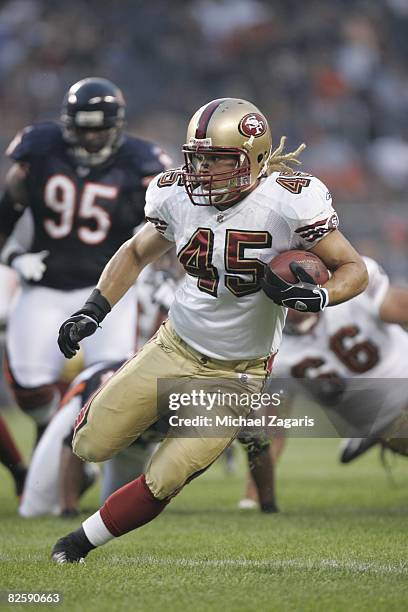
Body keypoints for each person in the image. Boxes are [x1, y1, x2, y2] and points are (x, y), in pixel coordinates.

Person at [50, 97, 368, 563]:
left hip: (238, 373)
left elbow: (352, 267)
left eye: (218, 160)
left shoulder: (290, 200)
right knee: (89, 445)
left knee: (168, 477)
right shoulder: (175, 193)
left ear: (255, 158)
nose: (203, 172)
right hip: (173, 346)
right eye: (197, 158)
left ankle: (76, 545)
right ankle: (166, 417)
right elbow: (136, 252)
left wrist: (322, 296)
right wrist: (93, 310)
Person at [0, 77, 170, 442]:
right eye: (83, 129)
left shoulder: (142, 164)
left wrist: (163, 274)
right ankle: (52, 429)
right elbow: (4, 218)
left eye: (101, 129)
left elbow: (166, 228)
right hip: (44, 284)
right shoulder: (39, 151)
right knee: (28, 388)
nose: (91, 138)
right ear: (68, 123)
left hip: (109, 290)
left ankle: (77, 452)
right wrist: (14, 257)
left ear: (117, 126)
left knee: (109, 380)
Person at [239, 256, 408, 510]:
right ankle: (365, 435)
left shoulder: (352, 286)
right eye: (287, 290)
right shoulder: (276, 352)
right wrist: (254, 498)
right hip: (381, 422)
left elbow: (401, 308)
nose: (298, 298)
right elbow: (271, 432)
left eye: (302, 286)